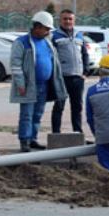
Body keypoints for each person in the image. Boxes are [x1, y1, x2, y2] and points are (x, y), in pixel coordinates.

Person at [10, 11, 68, 153]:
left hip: (44, 85)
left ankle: (33, 139)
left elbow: (53, 62)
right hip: (29, 85)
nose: (48, 31)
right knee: (27, 114)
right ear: (38, 27)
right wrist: (21, 84)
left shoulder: (47, 42)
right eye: (46, 29)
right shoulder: (22, 42)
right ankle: (24, 141)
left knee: (38, 114)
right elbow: (15, 64)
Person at [50, 9, 89, 135]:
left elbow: (84, 54)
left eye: (70, 19)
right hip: (62, 78)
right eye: (65, 19)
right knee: (59, 106)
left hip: (78, 78)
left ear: (74, 20)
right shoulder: (54, 36)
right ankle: (56, 134)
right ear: (60, 20)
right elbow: (51, 57)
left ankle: (78, 133)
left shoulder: (79, 35)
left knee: (77, 108)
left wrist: (85, 72)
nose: (67, 21)